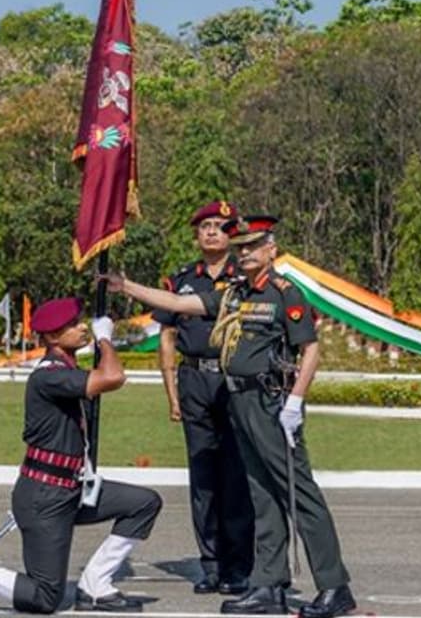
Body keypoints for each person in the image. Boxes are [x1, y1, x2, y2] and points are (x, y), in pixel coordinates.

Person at [104, 215, 355, 618]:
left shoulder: (284, 293)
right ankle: (268, 584)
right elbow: (178, 303)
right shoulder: (235, 293)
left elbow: (309, 349)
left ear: (271, 250)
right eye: (240, 247)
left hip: (272, 402)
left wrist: (295, 401)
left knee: (298, 494)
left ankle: (334, 585)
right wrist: (127, 286)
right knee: (261, 495)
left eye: (252, 247)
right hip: (239, 402)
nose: (244, 253)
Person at [0, 297, 163, 614]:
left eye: (81, 322)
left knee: (144, 503)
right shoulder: (49, 376)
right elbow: (114, 377)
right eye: (74, 325)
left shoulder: (67, 370)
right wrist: (105, 338)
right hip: (45, 497)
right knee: (44, 597)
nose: (82, 328)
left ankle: (95, 585)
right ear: (51, 337)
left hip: (74, 489)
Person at [153, 201, 253, 595]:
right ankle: (210, 566)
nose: (212, 232)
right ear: (196, 235)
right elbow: (167, 336)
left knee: (236, 476)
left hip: (232, 381)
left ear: (232, 234)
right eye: (205, 226)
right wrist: (172, 391)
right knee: (203, 479)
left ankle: (239, 566)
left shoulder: (245, 277)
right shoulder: (182, 280)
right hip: (194, 380)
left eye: (219, 226)